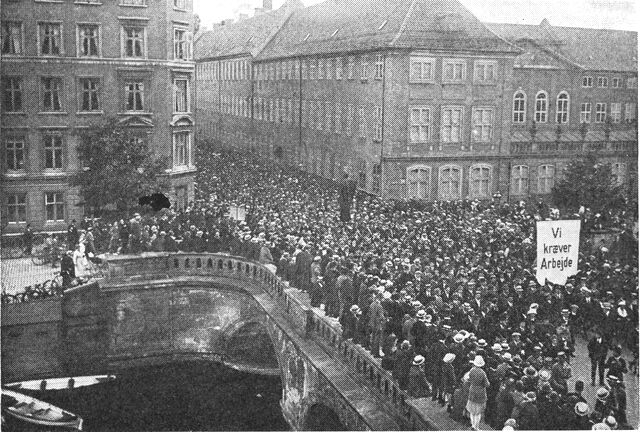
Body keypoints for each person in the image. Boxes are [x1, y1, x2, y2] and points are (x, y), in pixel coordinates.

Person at [467, 355, 490, 430]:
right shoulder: (483, 373)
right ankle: (476, 427)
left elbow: (469, 379)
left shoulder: (471, 370)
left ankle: (473, 425)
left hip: (472, 390)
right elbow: (487, 384)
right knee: (478, 412)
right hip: (480, 393)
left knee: (472, 410)